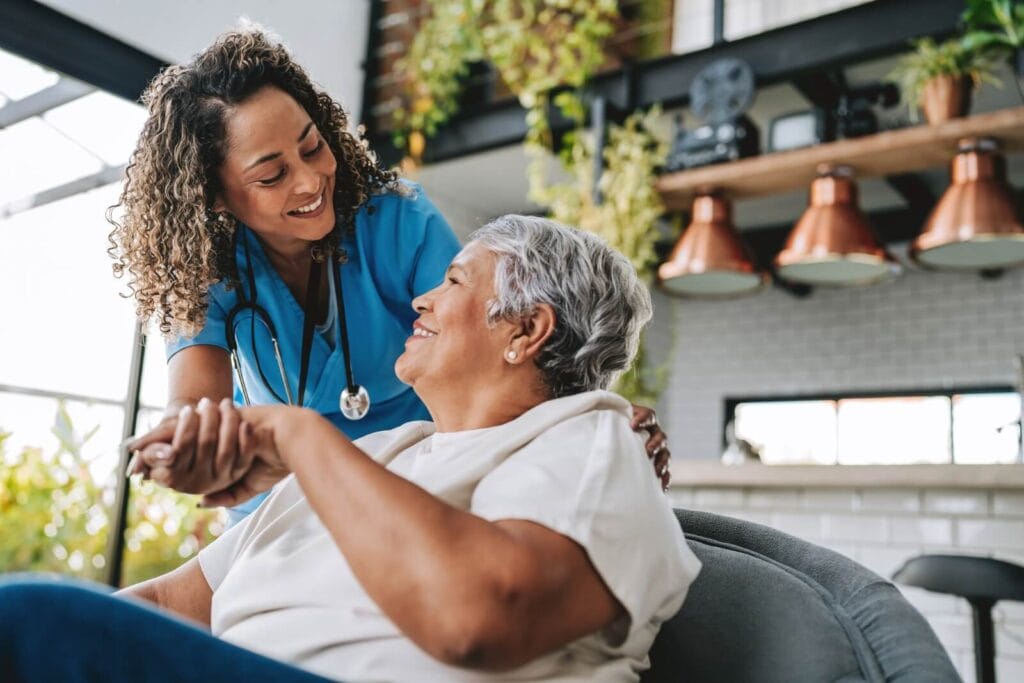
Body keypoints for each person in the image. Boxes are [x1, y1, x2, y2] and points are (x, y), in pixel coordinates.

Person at [0, 216, 700, 683]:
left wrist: (297, 432)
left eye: (453, 280)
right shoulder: (385, 454)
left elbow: (476, 619)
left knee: (34, 621)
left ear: (526, 330)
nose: (421, 300)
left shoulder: (590, 443)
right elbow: (169, 602)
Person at [107, 29, 673, 523]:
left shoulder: (398, 221)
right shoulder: (208, 267)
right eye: (273, 175)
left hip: (410, 491)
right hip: (277, 512)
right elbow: (194, 407)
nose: (309, 182)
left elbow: (498, 346)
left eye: (312, 147)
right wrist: (184, 443)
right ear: (215, 198)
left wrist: (594, 421)